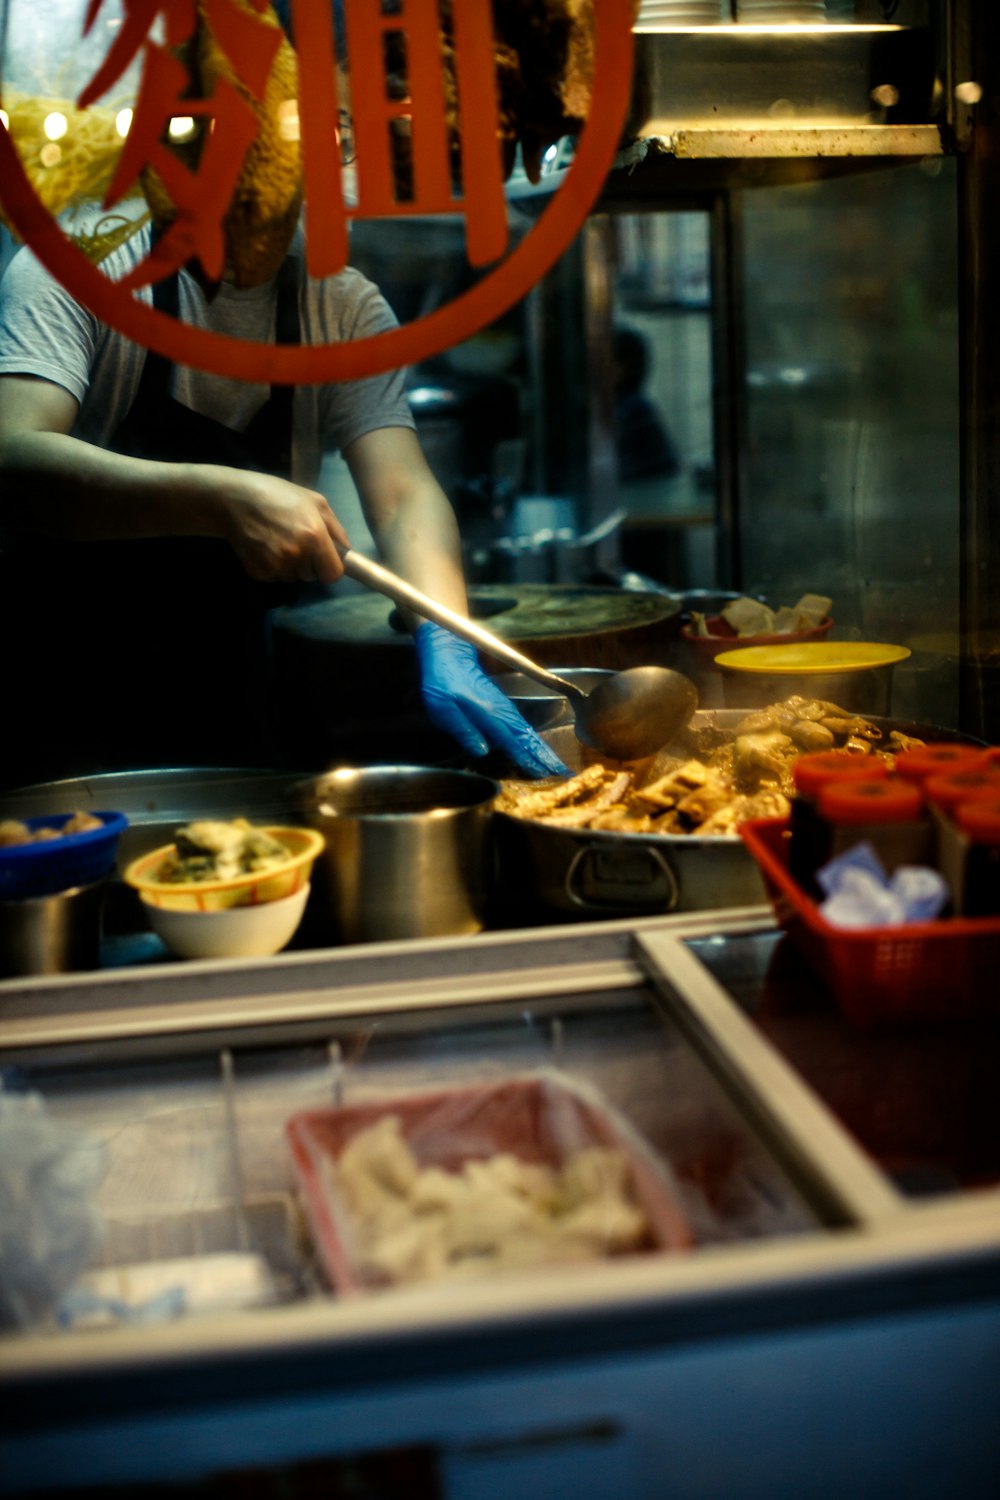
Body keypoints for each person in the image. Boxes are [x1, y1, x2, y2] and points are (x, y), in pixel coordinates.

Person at [0, 12, 565, 790]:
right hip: (67, 695)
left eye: (333, 129)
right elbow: (14, 456)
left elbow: (401, 495)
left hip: (239, 693)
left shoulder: (342, 305)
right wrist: (220, 498)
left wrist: (446, 629)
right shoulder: (81, 265)